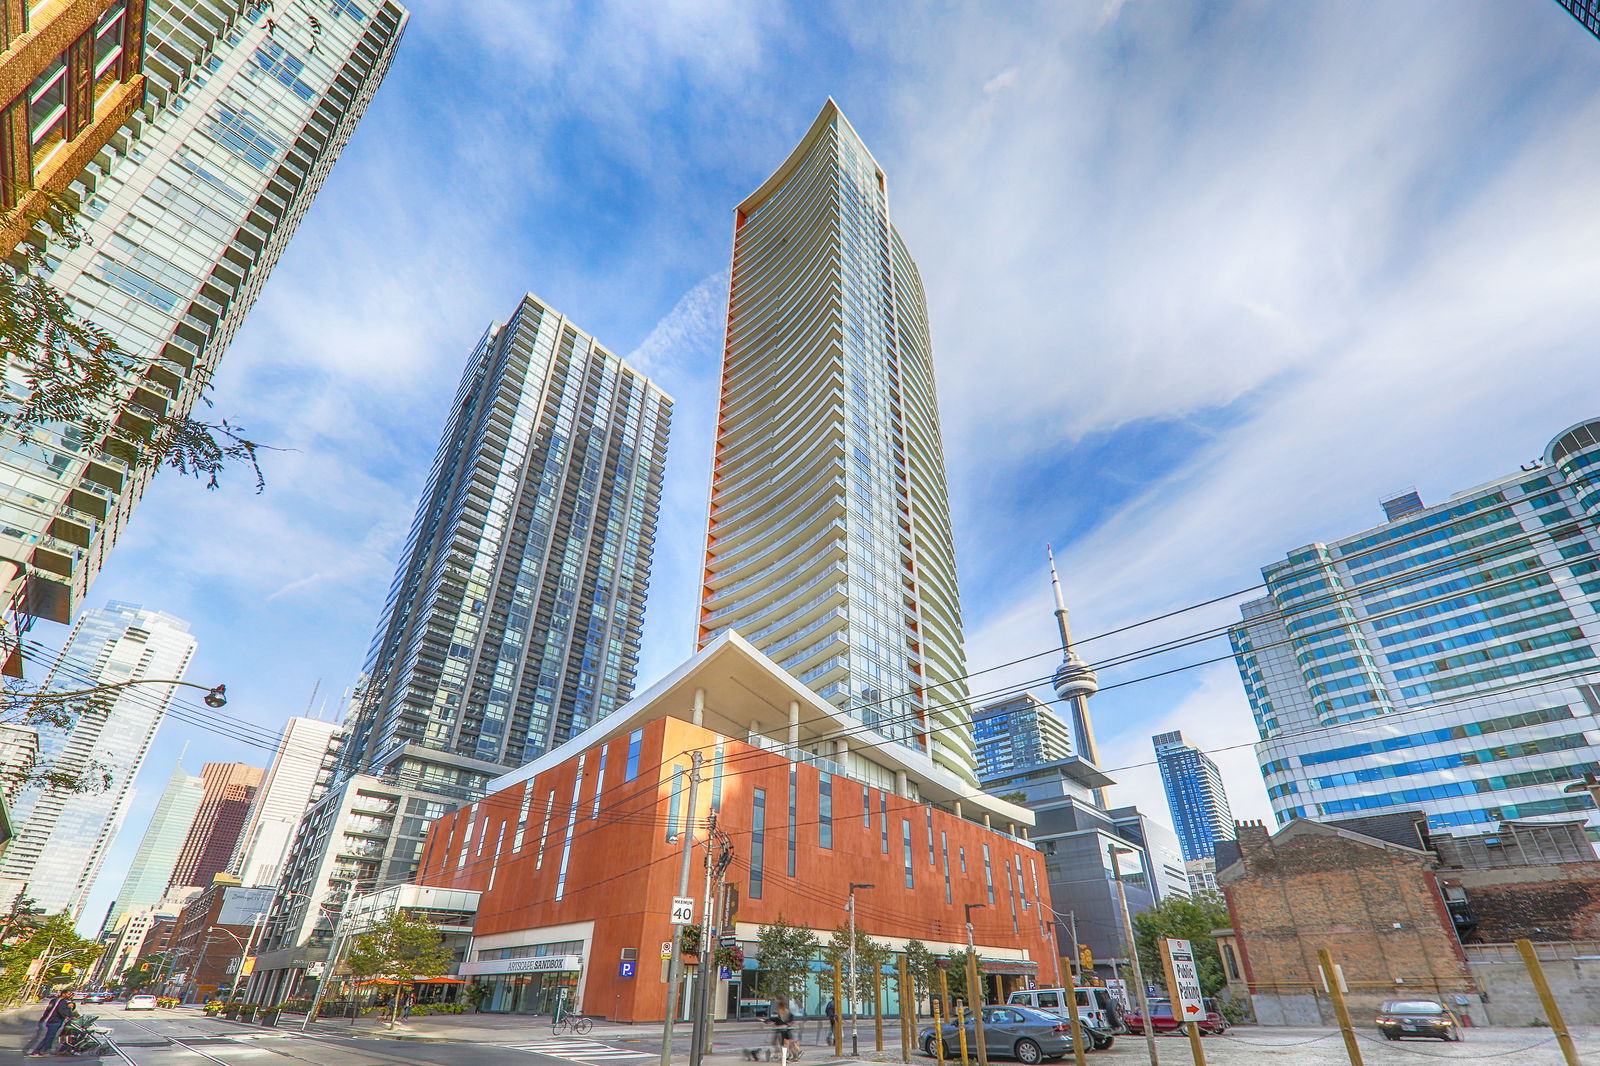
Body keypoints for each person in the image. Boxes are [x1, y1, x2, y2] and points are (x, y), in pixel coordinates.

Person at [769, 995, 800, 1060]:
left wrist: (769, 1020)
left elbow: (778, 1019)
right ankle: (793, 1055)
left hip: (783, 1030)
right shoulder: (785, 1010)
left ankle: (786, 1056)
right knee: (787, 1043)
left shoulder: (782, 1010)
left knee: (784, 1043)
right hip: (785, 1029)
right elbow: (788, 1018)